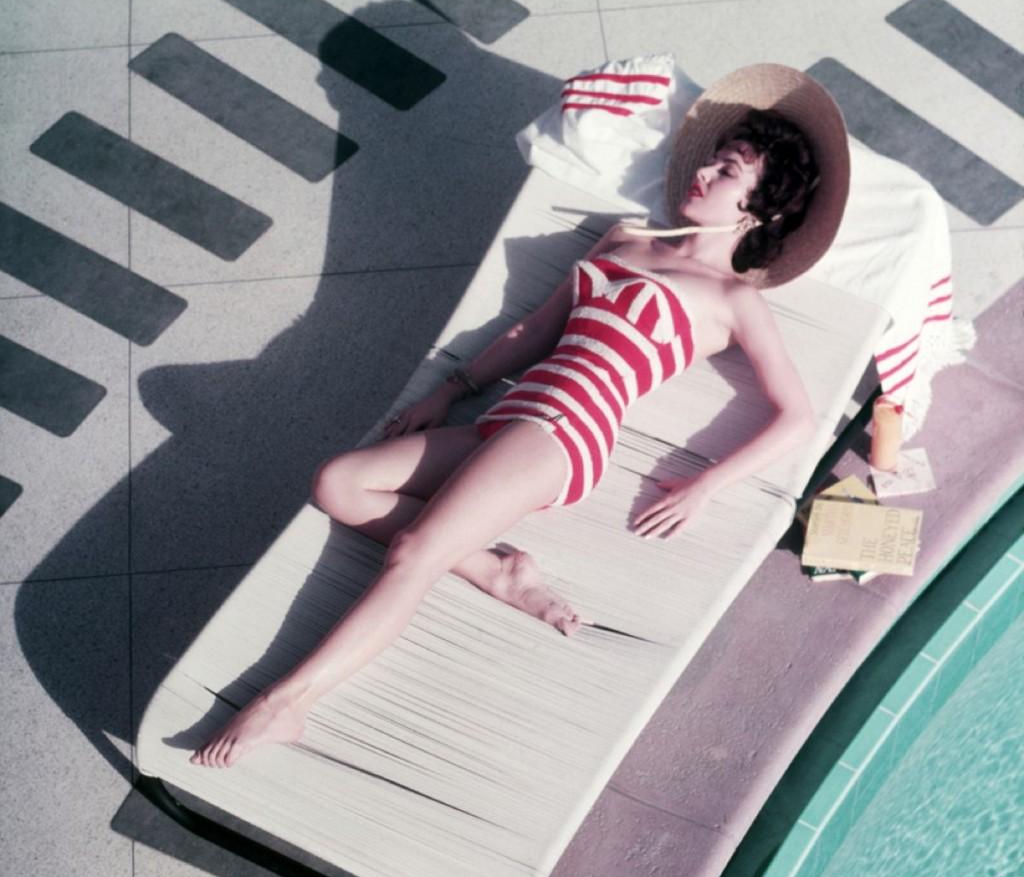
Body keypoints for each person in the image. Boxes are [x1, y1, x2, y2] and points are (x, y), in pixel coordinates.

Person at [191, 64, 850, 768]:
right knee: (338, 483)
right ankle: (498, 574)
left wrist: (705, 485)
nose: (703, 176)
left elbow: (797, 417)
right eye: (713, 161)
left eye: (727, 173)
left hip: (565, 436)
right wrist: (452, 387)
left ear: (759, 211)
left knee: (413, 552)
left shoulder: (732, 298)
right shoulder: (624, 240)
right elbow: (535, 331)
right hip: (510, 415)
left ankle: (285, 703)